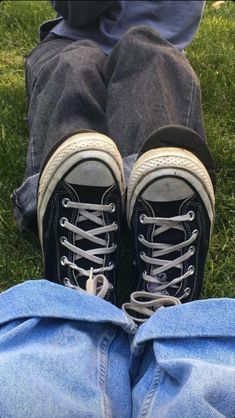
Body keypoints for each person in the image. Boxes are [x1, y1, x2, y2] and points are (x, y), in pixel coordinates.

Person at [0, 1, 234, 417]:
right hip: (70, 33)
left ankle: (81, 303)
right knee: (71, 62)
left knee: (151, 54)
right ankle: (81, 202)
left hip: (159, 41)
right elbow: (76, 11)